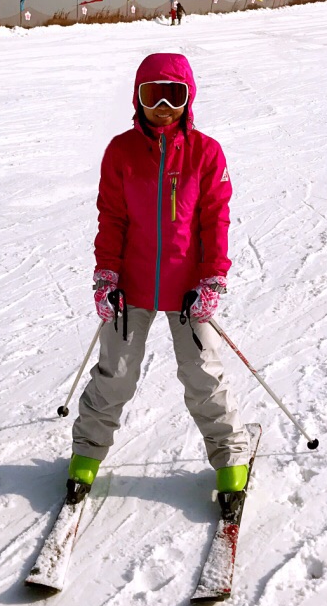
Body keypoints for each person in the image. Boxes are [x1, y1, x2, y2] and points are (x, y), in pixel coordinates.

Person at [66, 53, 251, 517]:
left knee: (202, 374)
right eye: (154, 95)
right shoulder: (121, 152)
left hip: (188, 290)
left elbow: (215, 218)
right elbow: (112, 218)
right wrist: (106, 274)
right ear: (138, 98)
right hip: (131, 289)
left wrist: (212, 277)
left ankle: (230, 458)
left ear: (189, 99)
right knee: (115, 375)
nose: (164, 106)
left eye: (175, 95)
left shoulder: (206, 153)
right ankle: (86, 453)